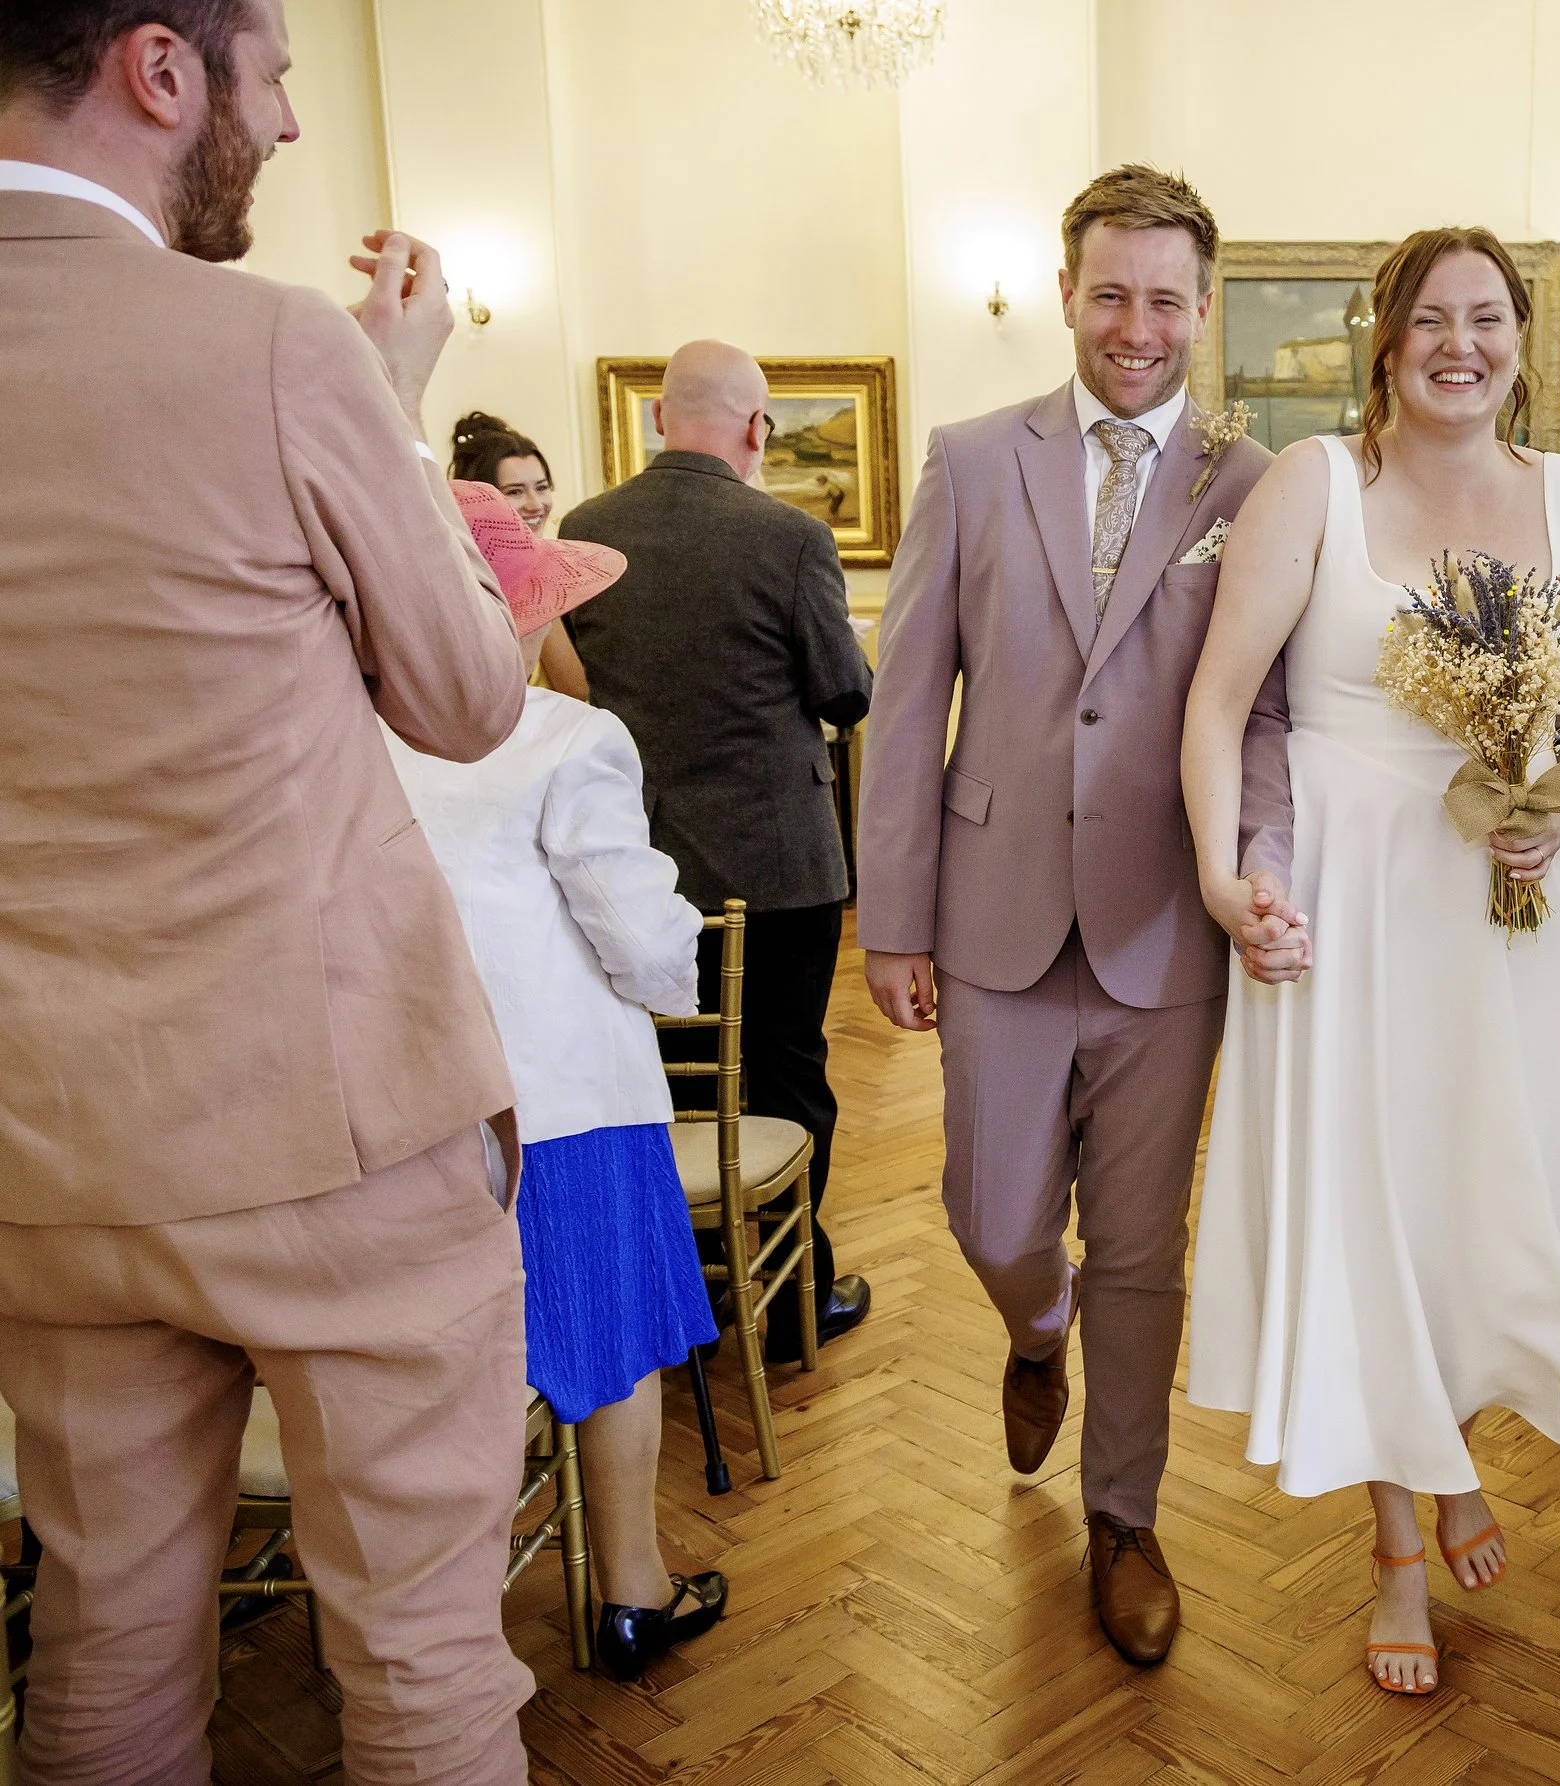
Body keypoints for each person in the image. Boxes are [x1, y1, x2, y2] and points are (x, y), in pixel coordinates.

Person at [0, 3, 540, 1779]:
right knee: (419, 1659)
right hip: (336, 1131)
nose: (292, 126)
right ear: (164, 72)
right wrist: (387, 405)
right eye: (276, 75)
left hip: (47, 1152)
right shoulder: (275, 348)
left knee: (103, 1645)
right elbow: (466, 702)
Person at [1182, 227, 1560, 1699]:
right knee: (1365, 1195)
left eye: (1489, 317)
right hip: (1347, 897)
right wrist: (1220, 874)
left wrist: (1554, 811)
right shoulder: (1314, 480)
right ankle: (1398, 1541)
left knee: (1473, 1194)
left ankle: (1448, 1453)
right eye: (1430, 318)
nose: (1462, 341)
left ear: (1522, 338)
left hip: (1504, 903)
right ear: (1383, 338)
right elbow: (1216, 702)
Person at [855, 165, 1304, 1669]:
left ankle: (1125, 1509)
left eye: (1167, 297)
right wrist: (889, 919)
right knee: (991, 1217)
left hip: (1168, 925)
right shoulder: (975, 459)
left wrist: (1260, 867)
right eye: (1111, 292)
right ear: (1067, 293)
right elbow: (907, 701)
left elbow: (1267, 719)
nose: (1137, 324)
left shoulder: (1253, 484)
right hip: (991, 915)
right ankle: (1031, 1331)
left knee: (1139, 1243)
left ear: (1201, 306)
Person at [387, 483, 730, 1685]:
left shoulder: (349, 740)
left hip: (403, 1112)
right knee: (609, 1341)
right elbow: (639, 941)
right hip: (566, 1100)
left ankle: (437, 1636)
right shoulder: (567, 736)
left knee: (439, 1373)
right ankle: (630, 1589)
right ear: (526, 615)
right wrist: (684, 955)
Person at [563, 339, 876, 1362]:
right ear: (756, 428)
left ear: (659, 419)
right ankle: (792, 1297)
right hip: (779, 869)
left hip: (634, 866)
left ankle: (676, 1299)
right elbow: (845, 692)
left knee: (665, 1080)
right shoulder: (787, 537)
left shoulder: (586, 531)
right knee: (787, 1075)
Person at [450, 408, 590, 699]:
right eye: (514, 492)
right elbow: (576, 689)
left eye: (541, 488)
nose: (535, 504)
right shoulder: (522, 582)